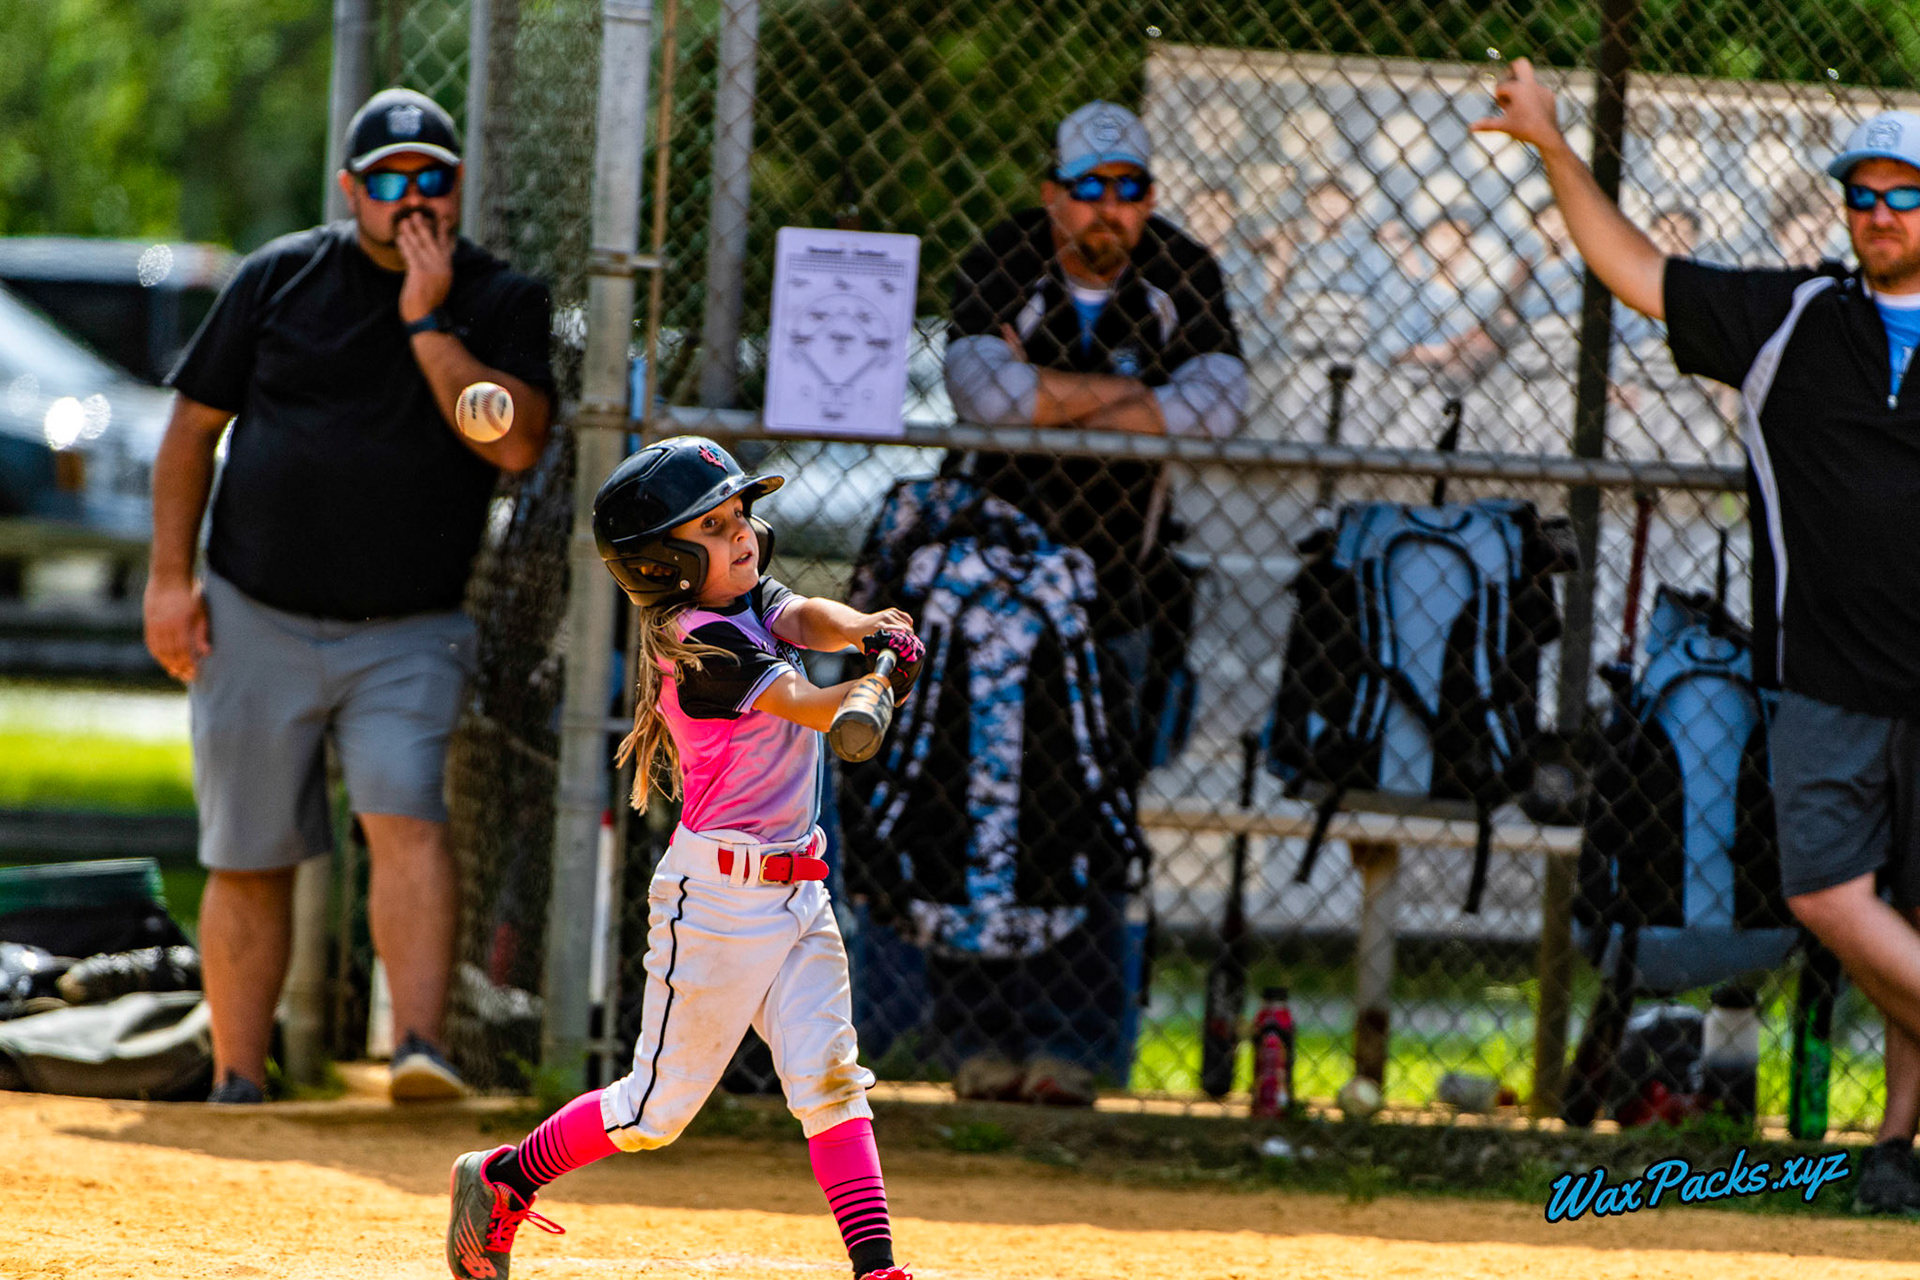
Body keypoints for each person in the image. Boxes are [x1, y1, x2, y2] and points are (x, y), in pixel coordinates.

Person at [1474, 60, 1920, 1214]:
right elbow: (1632, 268)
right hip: (1824, 676)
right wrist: (1552, 146)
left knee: (1913, 920)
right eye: (1863, 195)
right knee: (1828, 895)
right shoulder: (1792, 319)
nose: (1879, 214)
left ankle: (1896, 1144)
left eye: (1905, 195)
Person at [145, 88, 555, 1103]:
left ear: (459, 185)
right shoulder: (278, 277)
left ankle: (417, 1050)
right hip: (253, 609)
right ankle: (239, 1080)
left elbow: (511, 441)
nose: (412, 198)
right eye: (388, 181)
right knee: (249, 850)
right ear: (349, 190)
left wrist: (428, 322)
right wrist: (168, 578)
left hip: (406, 629)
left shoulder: (499, 299)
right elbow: (191, 429)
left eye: (432, 178)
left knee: (402, 815)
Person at [445, 435, 923, 1280]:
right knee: (652, 1112)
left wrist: (864, 628)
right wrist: (871, 686)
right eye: (711, 525)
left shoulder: (744, 599)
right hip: (718, 904)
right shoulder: (698, 645)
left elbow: (804, 616)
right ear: (659, 564)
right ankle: (503, 1178)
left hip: (798, 890)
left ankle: (877, 1269)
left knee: (831, 1081)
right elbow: (812, 706)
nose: (740, 533)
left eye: (739, 515)